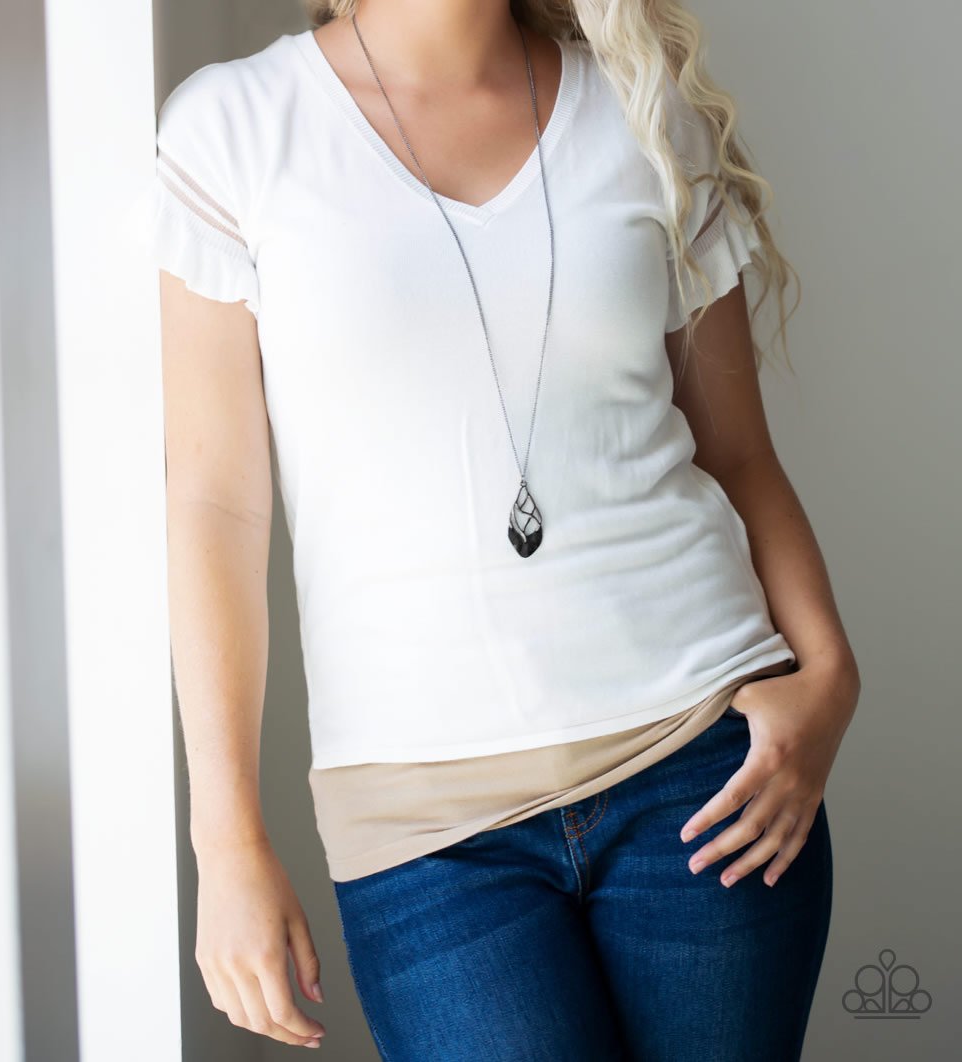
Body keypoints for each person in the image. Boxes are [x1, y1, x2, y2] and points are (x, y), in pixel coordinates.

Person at [123, 0, 860, 1057]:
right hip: (426, 835)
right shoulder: (233, 130)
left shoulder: (643, 113)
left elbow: (739, 455)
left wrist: (829, 676)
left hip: (702, 768)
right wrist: (226, 841)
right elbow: (214, 504)